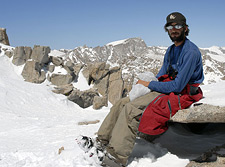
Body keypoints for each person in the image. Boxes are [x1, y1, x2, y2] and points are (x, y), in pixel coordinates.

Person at [79, 12, 204, 167]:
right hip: (167, 87)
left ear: (185, 28)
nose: (174, 29)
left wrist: (149, 85)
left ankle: (117, 157)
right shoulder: (171, 50)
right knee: (122, 103)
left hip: (182, 93)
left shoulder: (190, 52)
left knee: (131, 109)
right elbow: (161, 76)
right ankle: (102, 141)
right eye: (170, 26)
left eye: (178, 26)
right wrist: (146, 86)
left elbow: (178, 86)